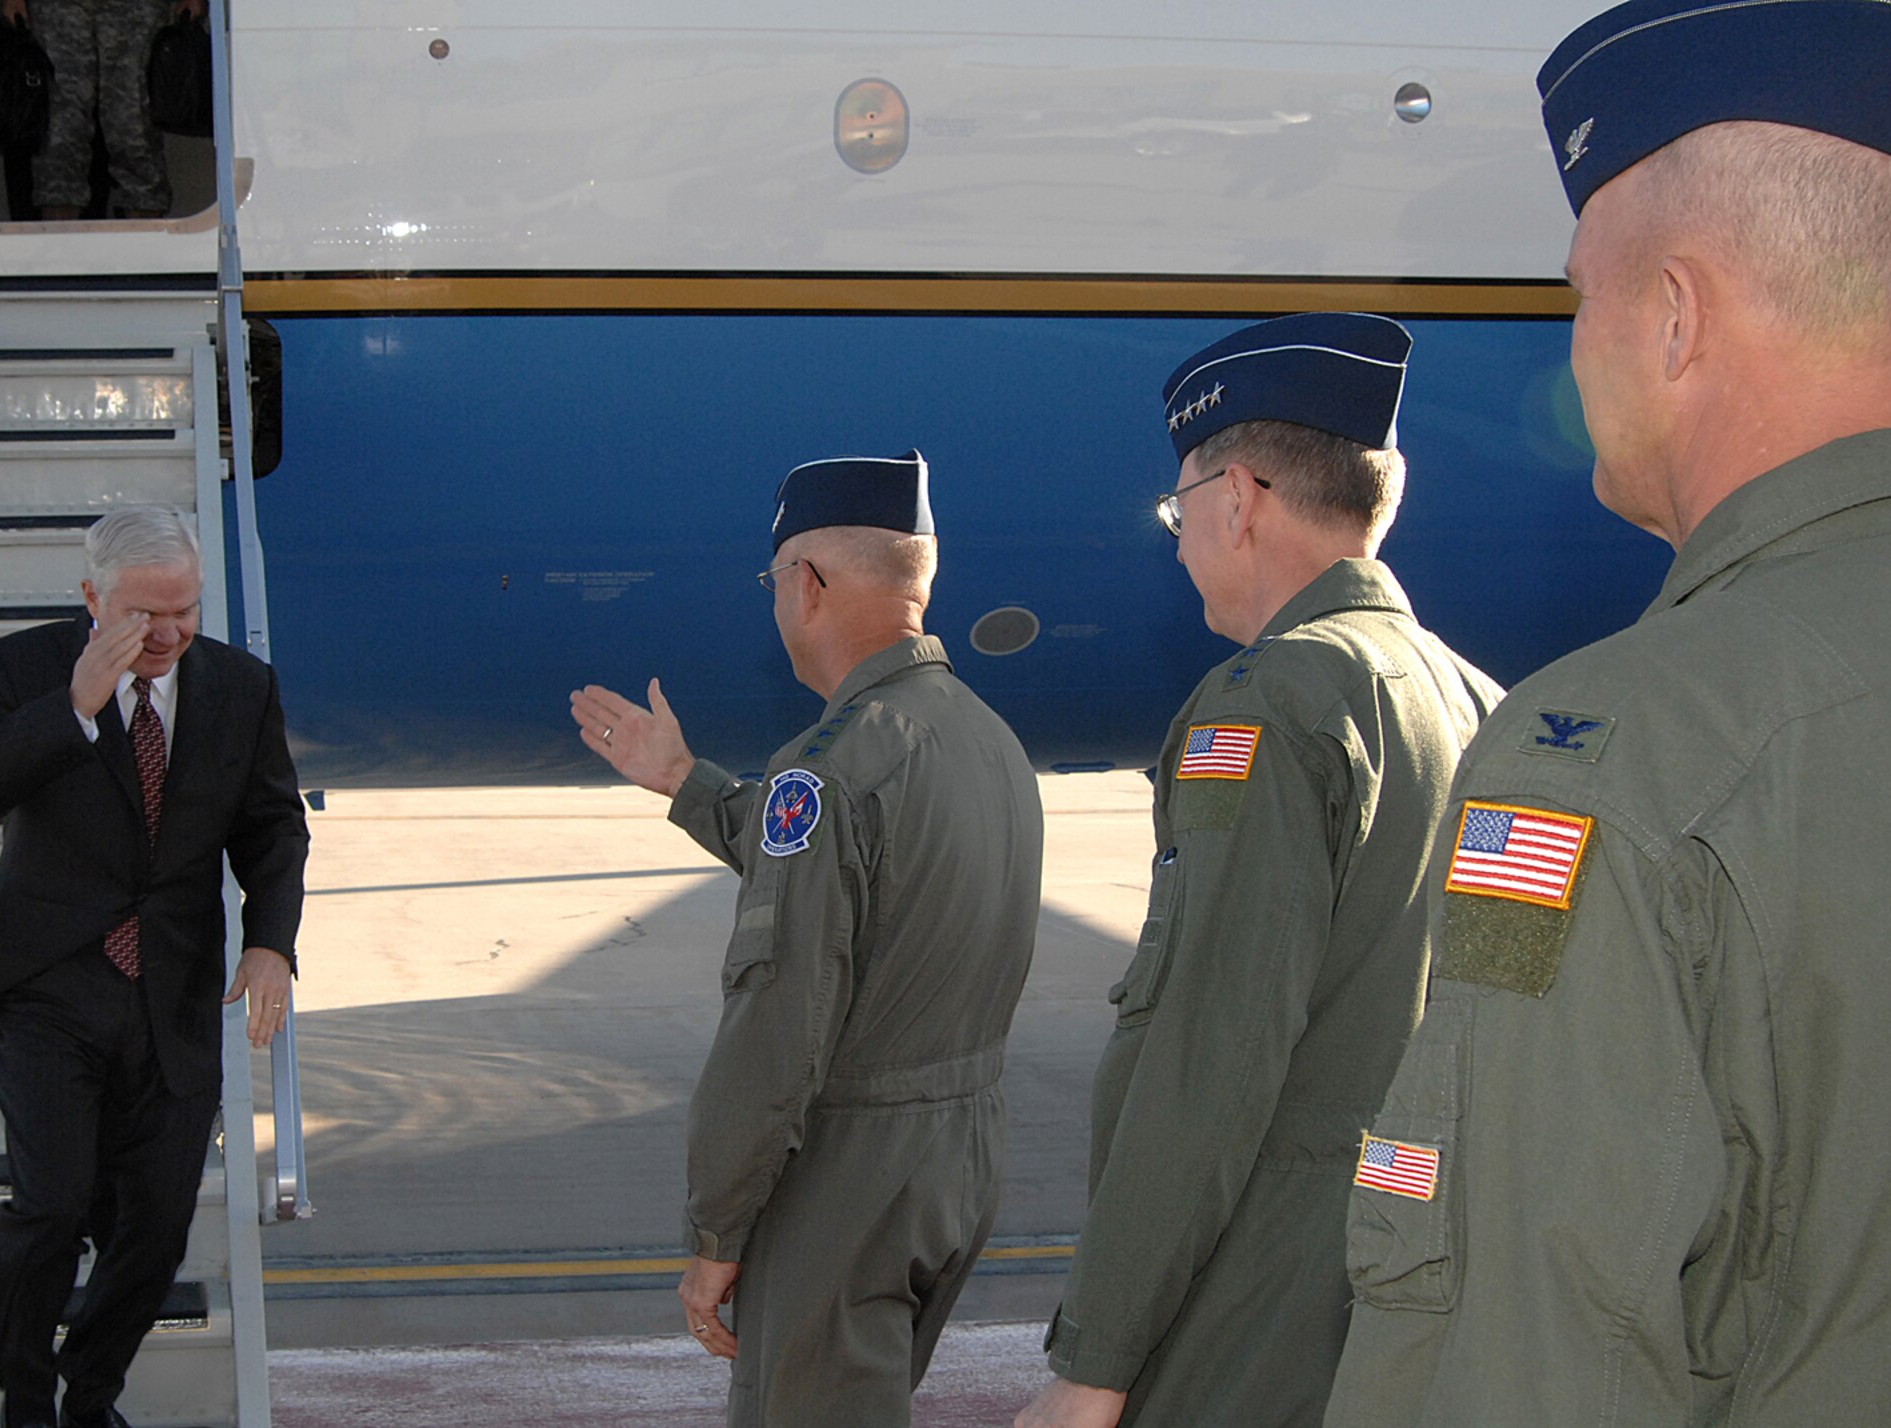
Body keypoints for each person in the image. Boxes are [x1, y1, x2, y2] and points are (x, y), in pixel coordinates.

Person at [1325, 2, 1891, 1423]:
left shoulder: (1618, 754)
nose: (1576, 347)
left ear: (1678, 317)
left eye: (1582, 296)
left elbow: (1521, 1344)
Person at [1013, 313, 1501, 1428]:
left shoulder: (1272, 703)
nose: (1177, 541)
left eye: (1175, 511)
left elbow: (1211, 1055)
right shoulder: (1477, 701)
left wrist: (1095, 1358)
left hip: (1261, 1294)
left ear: (1236, 500)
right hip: (1411, 1273)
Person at [570, 450, 1044, 1427]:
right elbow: (856, 880)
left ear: (806, 583)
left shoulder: (826, 766)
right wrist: (687, 784)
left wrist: (716, 1228)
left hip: (849, 1180)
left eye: (773, 582)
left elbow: (778, 1027)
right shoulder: (982, 737)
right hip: (958, 1158)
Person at [0, 507, 309, 1428]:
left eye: (184, 611)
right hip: (48, 985)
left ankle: (89, 1396)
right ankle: (27, 1401)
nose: (171, 635)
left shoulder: (238, 686)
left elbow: (271, 827)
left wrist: (270, 941)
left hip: (173, 992)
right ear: (92, 599)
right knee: (52, 1209)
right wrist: (72, 710)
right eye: (146, 617)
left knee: (153, 1233)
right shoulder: (17, 670)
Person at [0, 0, 205, 220]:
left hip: (136, 9)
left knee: (133, 126)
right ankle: (58, 243)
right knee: (60, 130)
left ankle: (144, 242)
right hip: (57, 7)